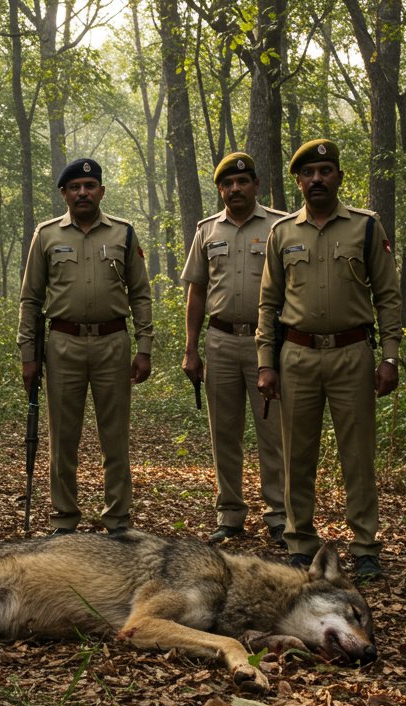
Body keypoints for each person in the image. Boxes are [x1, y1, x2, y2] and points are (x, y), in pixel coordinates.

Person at [256, 139, 402, 580]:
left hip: (352, 353)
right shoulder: (283, 233)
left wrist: (390, 357)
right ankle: (300, 541)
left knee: (357, 454)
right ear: (297, 181)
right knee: (296, 452)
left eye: (325, 172)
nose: (317, 180)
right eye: (308, 174)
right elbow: (268, 303)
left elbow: (388, 296)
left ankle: (365, 546)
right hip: (297, 354)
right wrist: (266, 361)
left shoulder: (365, 227)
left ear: (338, 176)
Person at [17, 158, 154, 534]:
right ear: (64, 193)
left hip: (113, 342)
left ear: (101, 191)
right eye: (75, 187)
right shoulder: (46, 235)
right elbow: (30, 299)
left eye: (90, 186)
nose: (82, 193)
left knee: (115, 436)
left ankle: (118, 519)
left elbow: (140, 294)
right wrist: (28, 355)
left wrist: (144, 346)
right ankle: (64, 518)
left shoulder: (123, 234)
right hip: (63, 345)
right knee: (63, 437)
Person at [181, 152, 289, 547]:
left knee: (272, 432)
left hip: (268, 343)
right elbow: (196, 291)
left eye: (243, 182)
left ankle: (279, 514)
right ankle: (230, 514)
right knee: (223, 431)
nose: (235, 189)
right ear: (220, 189)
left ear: (256, 185)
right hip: (221, 340)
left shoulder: (279, 226)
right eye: (227, 183)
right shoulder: (207, 231)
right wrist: (191, 349)